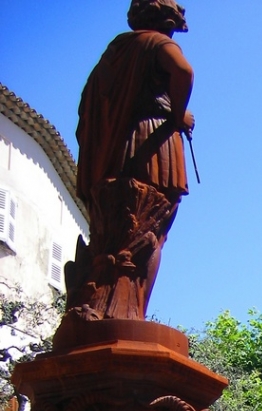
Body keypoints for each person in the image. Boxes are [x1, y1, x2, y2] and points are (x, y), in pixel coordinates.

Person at [72, 0, 195, 317]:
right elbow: (183, 70)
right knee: (152, 230)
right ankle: (129, 311)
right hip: (154, 145)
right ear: (166, 22)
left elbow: (87, 116)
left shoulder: (107, 61)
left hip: (112, 155)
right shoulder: (155, 42)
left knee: (113, 233)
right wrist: (178, 115)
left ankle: (105, 301)